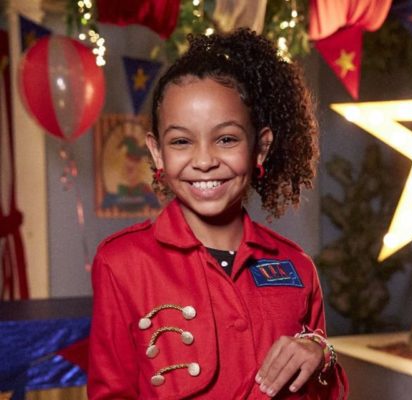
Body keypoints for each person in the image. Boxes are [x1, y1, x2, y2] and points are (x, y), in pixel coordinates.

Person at [88, 28, 348, 399]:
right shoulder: (121, 262)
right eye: (181, 141)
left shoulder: (297, 266)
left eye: (226, 139)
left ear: (260, 148)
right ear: (157, 152)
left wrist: (322, 353)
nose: (205, 160)